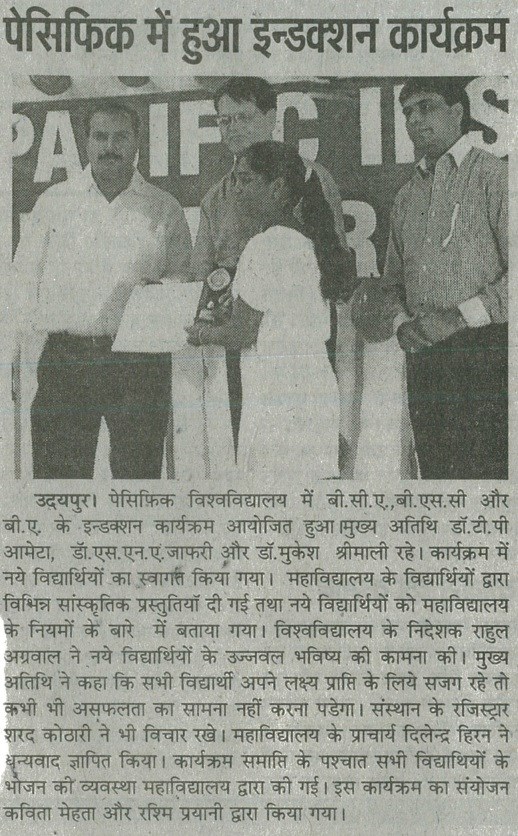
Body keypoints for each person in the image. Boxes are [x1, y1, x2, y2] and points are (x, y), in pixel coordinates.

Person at [13, 101, 192, 479]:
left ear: (137, 141)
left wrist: (157, 294)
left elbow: (182, 280)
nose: (110, 146)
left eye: (120, 137)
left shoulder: (165, 208)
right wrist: (18, 355)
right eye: (101, 136)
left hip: (140, 365)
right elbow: (23, 282)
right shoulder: (54, 202)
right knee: (58, 486)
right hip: (68, 359)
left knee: (138, 483)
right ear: (86, 142)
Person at [191, 77, 356, 467]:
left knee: (306, 455)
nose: (234, 128)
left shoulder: (310, 179)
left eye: (244, 117)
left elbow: (336, 263)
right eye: (225, 120)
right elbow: (201, 275)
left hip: (297, 339)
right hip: (242, 339)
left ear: (271, 117)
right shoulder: (215, 196)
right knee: (254, 453)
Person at [352, 78, 507, 480]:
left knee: (488, 478)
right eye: (407, 112)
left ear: (457, 112)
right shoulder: (407, 196)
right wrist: (402, 324)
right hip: (425, 356)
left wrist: (455, 319)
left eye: (427, 107)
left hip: (487, 352)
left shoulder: (496, 177)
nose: (415, 120)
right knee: (438, 477)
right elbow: (393, 283)